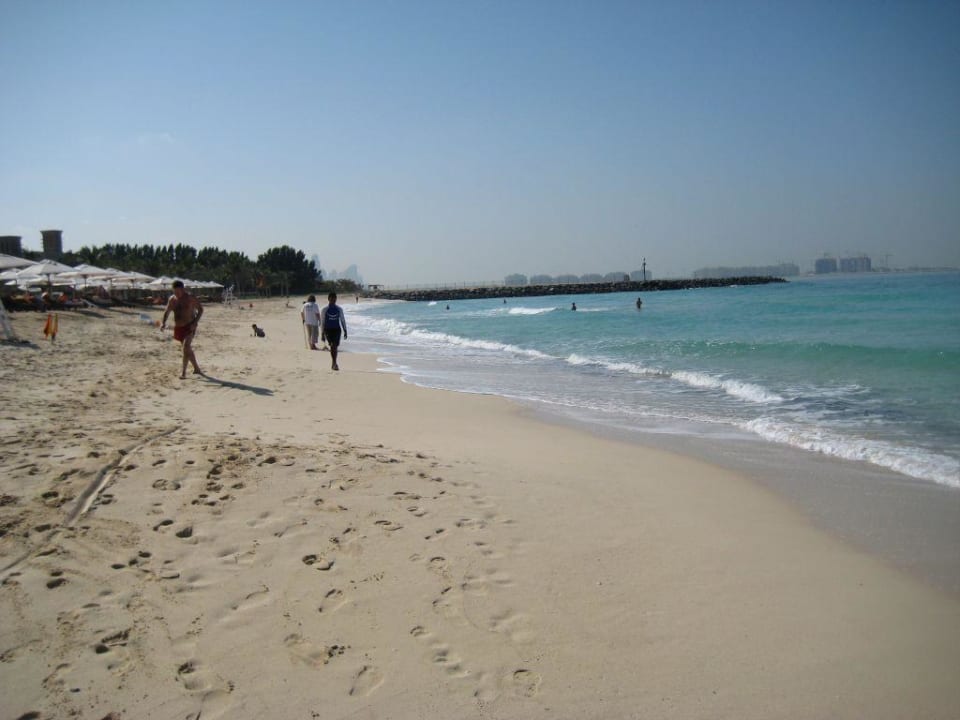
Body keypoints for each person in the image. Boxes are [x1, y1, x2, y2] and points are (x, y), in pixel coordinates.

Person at [161, 280, 203, 379]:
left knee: (185, 347)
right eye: (175, 292)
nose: (177, 294)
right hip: (179, 327)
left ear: (183, 289)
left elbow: (201, 310)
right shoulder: (172, 299)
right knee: (187, 349)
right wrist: (163, 323)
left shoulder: (190, 298)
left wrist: (195, 322)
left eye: (178, 292)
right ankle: (197, 368)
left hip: (190, 326)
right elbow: (167, 311)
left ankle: (183, 372)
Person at [320, 292, 348, 371]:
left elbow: (342, 320)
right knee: (333, 345)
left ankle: (334, 363)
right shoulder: (324, 309)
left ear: (336, 299)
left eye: (334, 298)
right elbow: (322, 322)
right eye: (331, 298)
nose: (333, 300)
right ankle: (334, 363)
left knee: (335, 346)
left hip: (337, 330)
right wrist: (322, 333)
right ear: (328, 299)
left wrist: (345, 330)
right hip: (328, 330)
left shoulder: (339, 309)